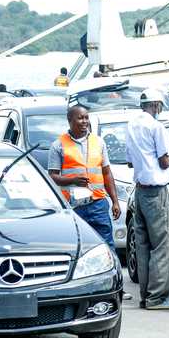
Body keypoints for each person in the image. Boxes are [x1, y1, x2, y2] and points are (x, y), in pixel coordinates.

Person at [126, 89, 169, 310]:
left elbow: (131, 162)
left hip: (139, 190)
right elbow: (164, 162)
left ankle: (145, 295)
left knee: (143, 245)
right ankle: (156, 298)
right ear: (157, 105)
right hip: (155, 192)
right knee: (162, 245)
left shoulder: (131, 125)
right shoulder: (157, 127)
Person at [48, 105, 121, 251]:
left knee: (106, 246)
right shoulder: (58, 145)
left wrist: (115, 201)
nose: (84, 121)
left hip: (98, 204)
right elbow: (52, 177)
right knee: (77, 247)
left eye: (86, 117)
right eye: (80, 118)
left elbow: (107, 173)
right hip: (74, 206)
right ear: (70, 120)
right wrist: (73, 180)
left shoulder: (99, 142)